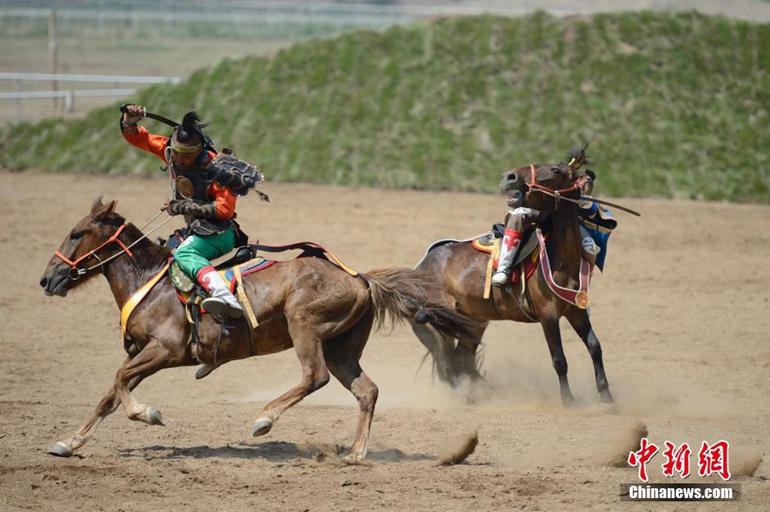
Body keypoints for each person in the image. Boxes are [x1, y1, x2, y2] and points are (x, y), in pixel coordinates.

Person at [120, 104, 245, 320]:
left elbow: (224, 210)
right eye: (176, 154)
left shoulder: (218, 168)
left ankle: (225, 297)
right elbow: (140, 139)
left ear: (199, 150)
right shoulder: (171, 152)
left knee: (184, 254)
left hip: (221, 233)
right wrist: (130, 122)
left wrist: (181, 206)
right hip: (195, 231)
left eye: (186, 156)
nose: (179, 160)